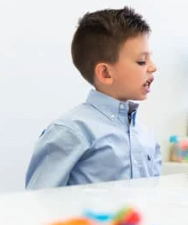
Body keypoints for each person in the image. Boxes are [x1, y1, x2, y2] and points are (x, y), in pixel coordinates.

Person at [26, 7, 162, 189]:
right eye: (141, 61)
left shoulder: (146, 135)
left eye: (150, 59)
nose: (153, 67)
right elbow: (39, 202)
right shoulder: (72, 131)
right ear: (105, 73)